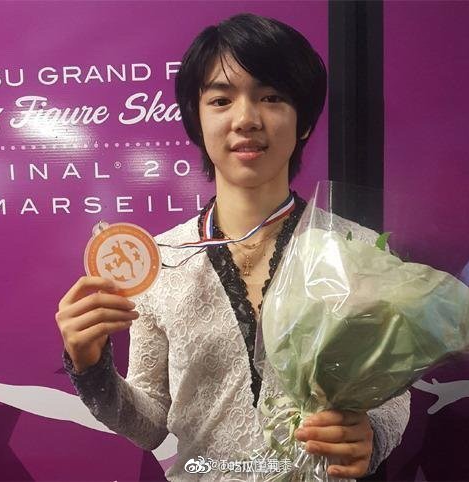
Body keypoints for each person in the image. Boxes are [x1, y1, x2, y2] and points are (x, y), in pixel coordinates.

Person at [56, 13, 410, 481]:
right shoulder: (160, 261)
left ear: (303, 121)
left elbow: (393, 391)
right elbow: (149, 425)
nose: (246, 119)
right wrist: (90, 366)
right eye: (221, 100)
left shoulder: (355, 249)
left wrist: (372, 433)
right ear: (197, 119)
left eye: (271, 97)